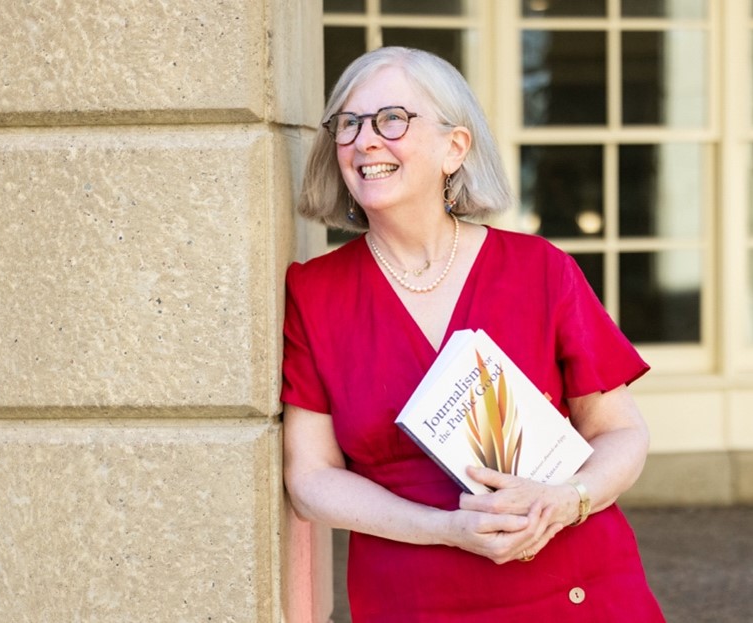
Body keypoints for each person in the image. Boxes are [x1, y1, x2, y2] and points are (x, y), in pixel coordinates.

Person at [281, 46, 665, 622]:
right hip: (415, 597)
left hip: (576, 590)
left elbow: (621, 434)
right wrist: (446, 529)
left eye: (392, 120)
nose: (364, 141)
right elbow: (310, 478)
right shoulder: (316, 294)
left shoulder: (540, 270)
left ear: (454, 148)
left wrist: (566, 500)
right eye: (349, 124)